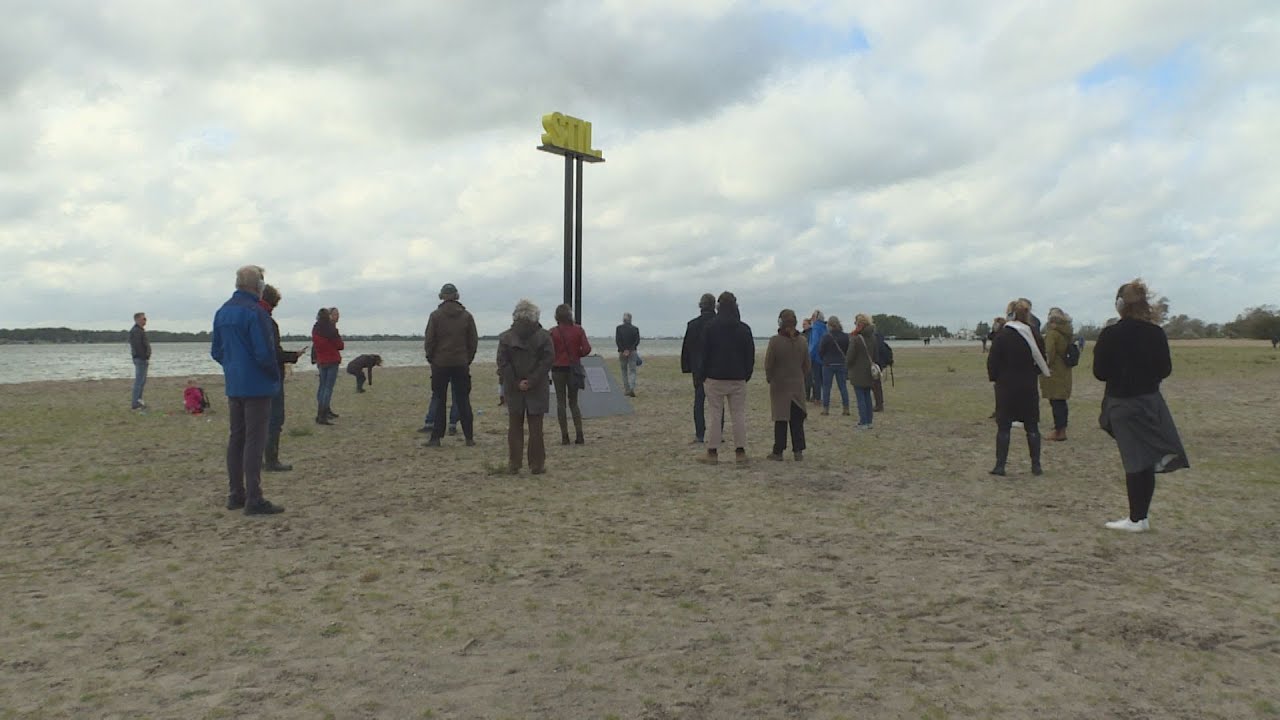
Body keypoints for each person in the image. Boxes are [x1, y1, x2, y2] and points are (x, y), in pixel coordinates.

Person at [1094, 279, 1189, 532]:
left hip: (1122, 403)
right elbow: (1165, 369)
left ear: (1119, 304)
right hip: (1150, 400)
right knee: (1144, 459)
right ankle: (1141, 516)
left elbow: (1100, 372)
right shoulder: (1155, 332)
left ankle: (1136, 519)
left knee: (1135, 460)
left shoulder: (1111, 333)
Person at [210, 265, 283, 515]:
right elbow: (264, 352)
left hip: (235, 384)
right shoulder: (256, 313)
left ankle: (235, 493)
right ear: (258, 285)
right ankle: (254, 497)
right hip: (257, 384)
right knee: (254, 440)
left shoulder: (222, 312)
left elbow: (216, 351)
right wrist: (273, 375)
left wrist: (232, 366)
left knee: (236, 438)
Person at [987, 299, 1050, 476]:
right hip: (1028, 384)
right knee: (1032, 426)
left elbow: (992, 361)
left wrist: (995, 377)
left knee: (1004, 426)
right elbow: (1042, 360)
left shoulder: (1003, 335)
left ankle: (1000, 466)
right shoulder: (1034, 335)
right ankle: (1036, 465)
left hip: (1006, 385)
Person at [497, 299, 554, 474]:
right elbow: (547, 361)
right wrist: (532, 380)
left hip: (514, 388)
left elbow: (502, 363)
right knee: (536, 428)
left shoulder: (506, 337)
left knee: (515, 426)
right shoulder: (544, 336)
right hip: (537, 387)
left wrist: (515, 382)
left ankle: (514, 463)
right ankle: (536, 464)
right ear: (535, 316)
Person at [697, 291, 754, 465]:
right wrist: (746, 375)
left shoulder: (710, 327)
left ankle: (712, 452)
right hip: (737, 377)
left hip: (715, 377)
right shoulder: (744, 329)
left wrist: (703, 375)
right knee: (738, 415)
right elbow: (749, 356)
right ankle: (740, 452)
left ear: (718, 306)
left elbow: (704, 354)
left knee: (715, 414)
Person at [424, 283, 478, 447]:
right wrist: (467, 358)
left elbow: (430, 340)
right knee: (463, 399)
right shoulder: (467, 316)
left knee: (440, 399)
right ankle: (469, 437)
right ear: (456, 296)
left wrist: (432, 358)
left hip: (440, 363)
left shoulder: (435, 316)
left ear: (442, 296)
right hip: (461, 363)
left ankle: (436, 437)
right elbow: (473, 341)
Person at [259, 285, 304, 471]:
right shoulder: (267, 321)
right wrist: (293, 356)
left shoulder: (253, 317)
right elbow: (273, 353)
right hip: (271, 376)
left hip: (256, 376)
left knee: (258, 419)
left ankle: (260, 458)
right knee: (275, 418)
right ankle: (271, 459)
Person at [766, 309, 811, 461]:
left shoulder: (775, 341)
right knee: (797, 420)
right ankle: (798, 451)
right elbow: (807, 365)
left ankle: (778, 451)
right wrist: (799, 377)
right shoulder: (803, 341)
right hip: (797, 385)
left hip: (780, 385)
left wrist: (770, 378)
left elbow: (769, 365)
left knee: (781, 420)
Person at [550, 303, 592, 445]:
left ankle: (564, 436)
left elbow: (548, 352)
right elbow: (587, 349)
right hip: (573, 368)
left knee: (560, 403)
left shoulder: (553, 332)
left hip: (557, 369)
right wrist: (576, 355)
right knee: (573, 402)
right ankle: (579, 434)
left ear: (557, 316)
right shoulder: (578, 330)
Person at [680, 293, 717, 443]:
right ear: (714, 305)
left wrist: (687, 366)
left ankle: (700, 434)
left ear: (700, 306)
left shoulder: (693, 324)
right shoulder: (718, 323)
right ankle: (717, 432)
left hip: (698, 368)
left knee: (699, 402)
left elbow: (686, 348)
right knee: (716, 403)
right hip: (716, 368)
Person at [1040, 307, 1075, 442]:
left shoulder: (1053, 334)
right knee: (1061, 402)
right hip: (1064, 371)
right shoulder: (1067, 332)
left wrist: (1043, 367)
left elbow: (1049, 353)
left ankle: (1058, 431)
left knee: (1056, 401)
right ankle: (1061, 429)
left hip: (1054, 372)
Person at [846, 314, 878, 430]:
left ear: (860, 324)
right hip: (869, 371)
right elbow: (875, 355)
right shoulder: (873, 337)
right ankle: (869, 421)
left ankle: (863, 422)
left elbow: (850, 357)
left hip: (857, 372)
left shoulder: (856, 339)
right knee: (867, 397)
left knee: (861, 398)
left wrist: (847, 365)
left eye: (856, 323)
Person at [311, 307, 344, 424]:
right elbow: (340, 345)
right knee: (328, 388)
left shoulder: (315, 329)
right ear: (328, 316)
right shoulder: (331, 330)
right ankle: (322, 415)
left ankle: (321, 413)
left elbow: (314, 345)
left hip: (321, 360)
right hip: (332, 360)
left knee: (322, 387)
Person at [816, 315, 850, 415]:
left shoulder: (826, 337)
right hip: (841, 363)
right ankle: (846, 408)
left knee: (826, 387)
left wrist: (824, 359)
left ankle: (826, 409)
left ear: (829, 325)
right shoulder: (845, 336)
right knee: (843, 387)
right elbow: (847, 350)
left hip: (828, 364)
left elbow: (821, 350)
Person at [129, 311, 150, 409]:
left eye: (145, 318)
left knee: (141, 381)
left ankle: (139, 401)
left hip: (141, 359)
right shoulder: (136, 331)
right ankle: (136, 403)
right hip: (140, 359)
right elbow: (138, 346)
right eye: (143, 319)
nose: (145, 320)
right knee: (139, 381)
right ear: (137, 319)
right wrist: (144, 357)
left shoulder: (139, 330)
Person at [615, 312, 640, 397]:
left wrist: (623, 350)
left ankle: (627, 389)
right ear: (631, 319)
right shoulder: (635, 329)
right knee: (632, 371)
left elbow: (618, 341)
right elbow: (637, 341)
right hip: (632, 351)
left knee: (624, 371)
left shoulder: (619, 328)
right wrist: (630, 349)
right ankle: (632, 388)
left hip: (622, 352)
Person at [807, 310, 827, 403]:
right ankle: (824, 397)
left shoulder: (815, 328)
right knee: (824, 379)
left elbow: (814, 343)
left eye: (812, 317)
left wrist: (809, 355)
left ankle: (818, 398)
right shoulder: (825, 328)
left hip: (816, 357)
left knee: (817, 378)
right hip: (825, 357)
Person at [871, 319, 890, 412]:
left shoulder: (873, 338)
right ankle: (879, 403)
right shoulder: (879, 337)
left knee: (875, 385)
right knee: (876, 385)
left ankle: (879, 405)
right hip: (879, 363)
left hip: (875, 363)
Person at [801, 317, 814, 402]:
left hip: (811, 357)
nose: (803, 326)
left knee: (811, 378)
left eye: (805, 324)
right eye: (803, 324)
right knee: (805, 378)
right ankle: (806, 395)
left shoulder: (812, 333)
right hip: (803, 358)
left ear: (809, 325)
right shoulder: (802, 334)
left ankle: (811, 395)